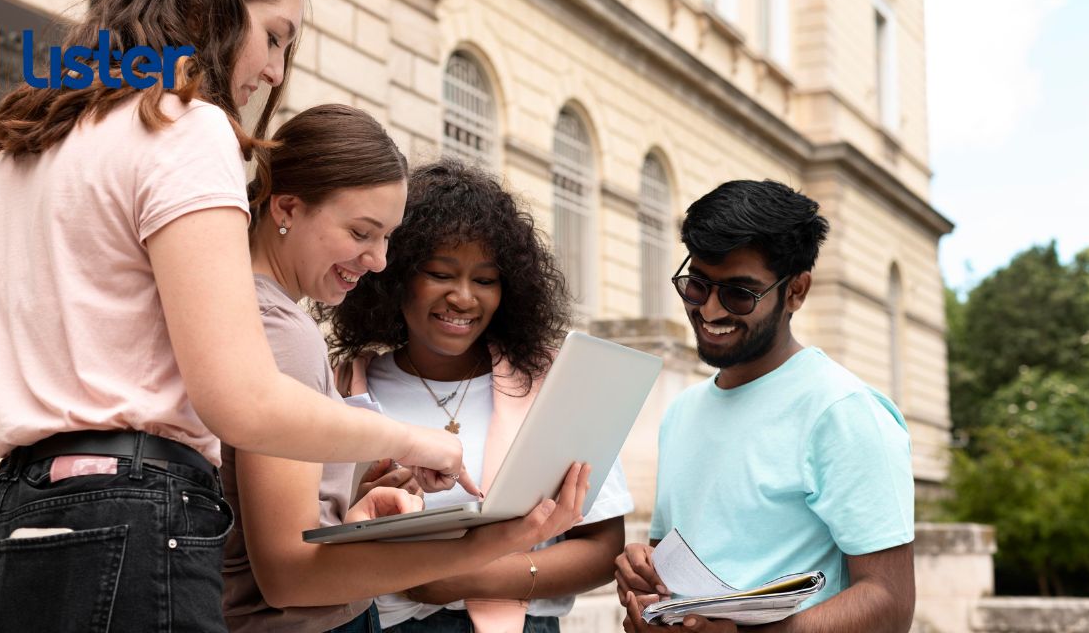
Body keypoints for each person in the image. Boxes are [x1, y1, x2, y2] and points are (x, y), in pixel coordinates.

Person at [0, 0, 472, 631]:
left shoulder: (7, 171)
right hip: (135, 521)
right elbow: (241, 399)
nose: (273, 72)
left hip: (11, 528)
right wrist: (416, 439)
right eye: (274, 37)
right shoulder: (184, 126)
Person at [224, 105, 590, 633]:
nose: (377, 261)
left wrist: (360, 509)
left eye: (388, 239)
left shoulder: (249, 313)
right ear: (286, 207)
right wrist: (487, 545)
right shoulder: (286, 335)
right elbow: (288, 578)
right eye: (361, 233)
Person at [330, 159, 634, 633]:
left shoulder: (551, 382)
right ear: (394, 276)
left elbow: (602, 547)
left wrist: (465, 577)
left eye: (486, 280)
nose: (465, 298)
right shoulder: (344, 384)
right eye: (440, 273)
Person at [615, 180, 916, 633]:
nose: (710, 311)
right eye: (696, 286)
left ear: (796, 291)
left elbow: (889, 602)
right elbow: (669, 571)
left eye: (739, 293)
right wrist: (644, 581)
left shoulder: (844, 411)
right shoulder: (681, 411)